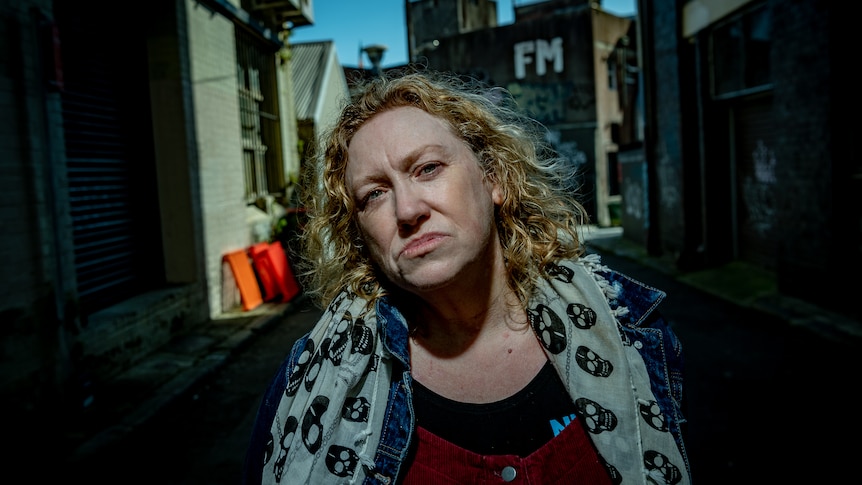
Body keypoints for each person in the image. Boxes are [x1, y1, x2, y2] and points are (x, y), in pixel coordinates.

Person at [242, 68, 692, 485]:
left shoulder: (629, 330)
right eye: (374, 194)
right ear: (358, 233)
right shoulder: (310, 377)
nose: (408, 210)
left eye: (428, 169)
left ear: (493, 179)